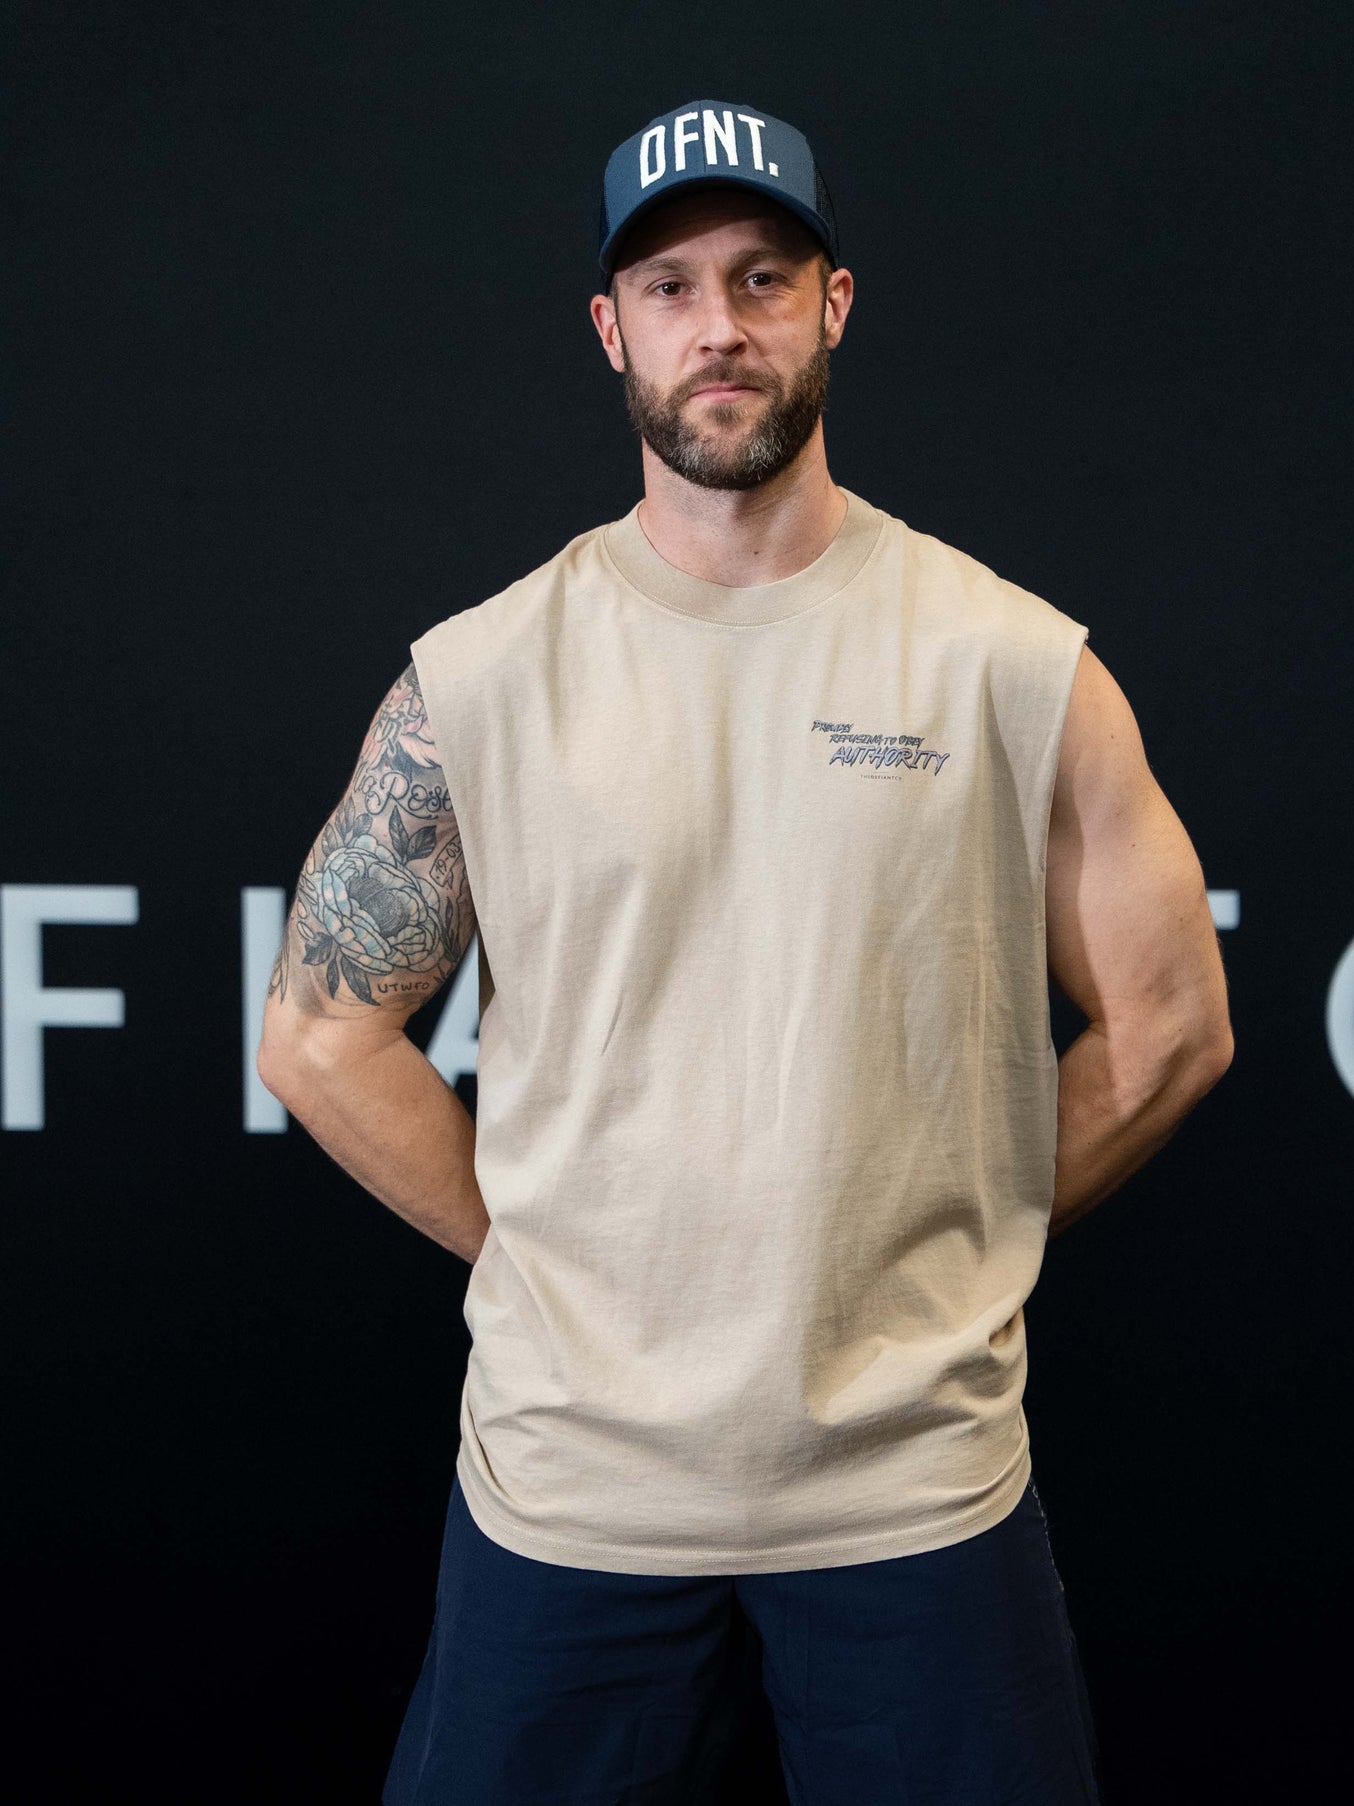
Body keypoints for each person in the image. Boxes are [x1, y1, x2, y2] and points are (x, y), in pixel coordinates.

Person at [259, 97, 1233, 1805]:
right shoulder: (478, 677)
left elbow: (1168, 1025)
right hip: (573, 1493)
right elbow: (322, 1032)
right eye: (671, 286)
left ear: (833, 303)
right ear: (608, 330)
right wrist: (552, 1261)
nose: (719, 326)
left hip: (912, 1491)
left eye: (763, 278)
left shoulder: (1009, 660)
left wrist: (939, 1241)